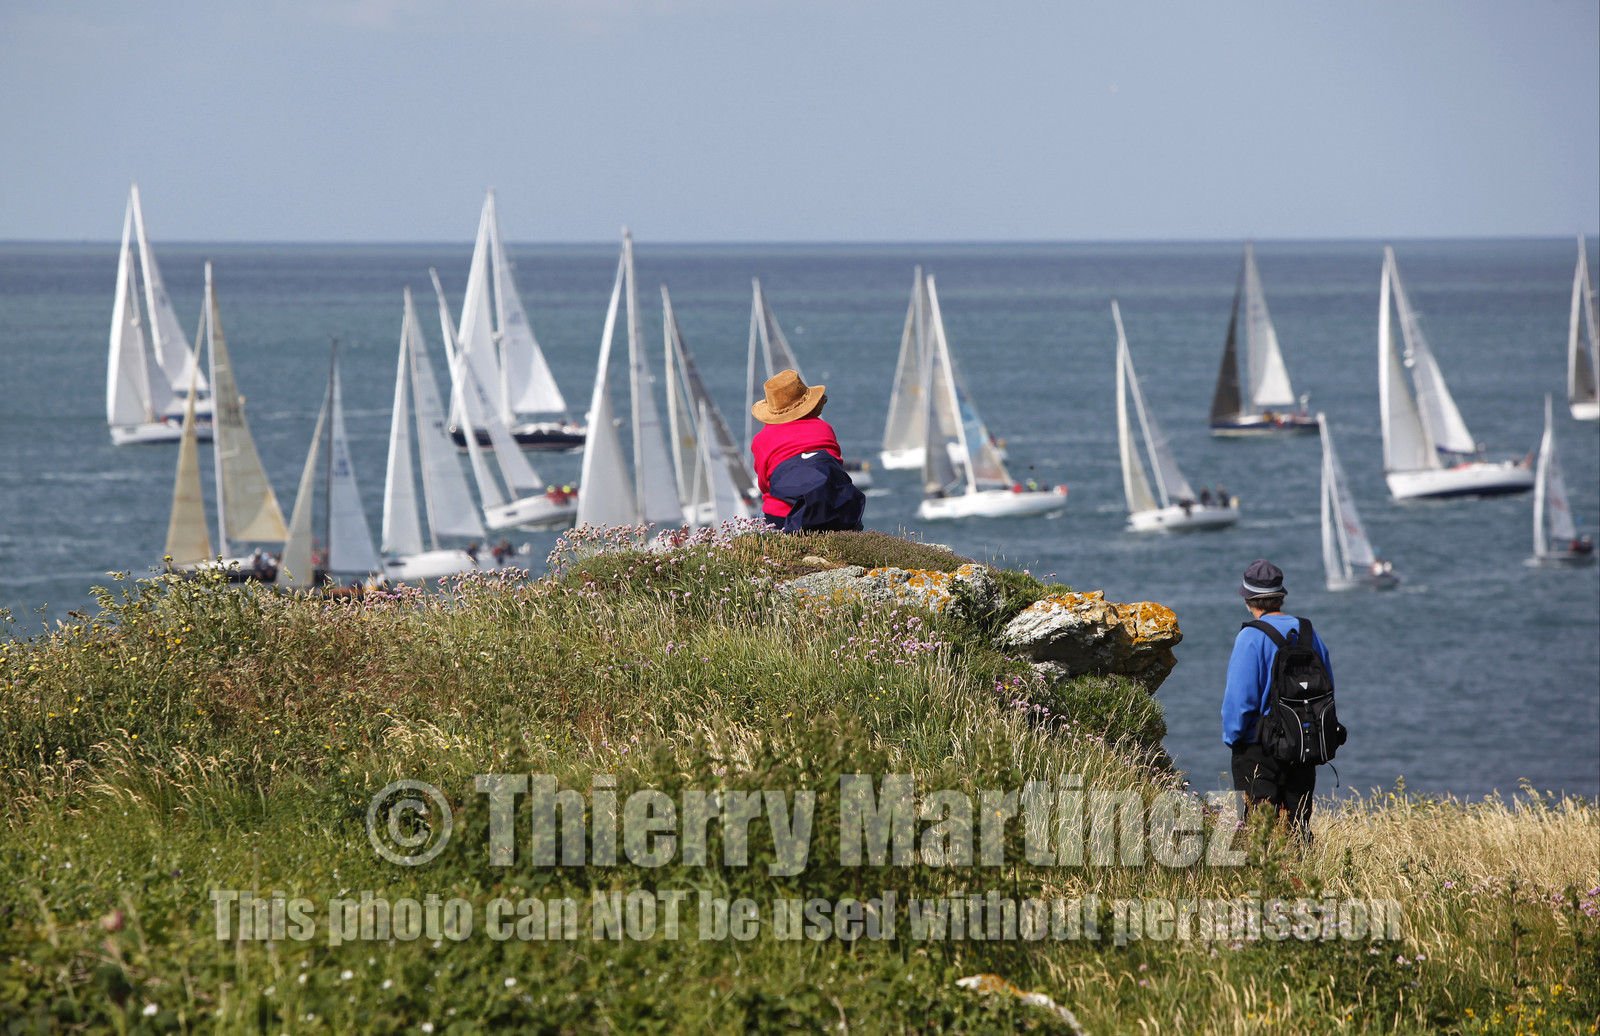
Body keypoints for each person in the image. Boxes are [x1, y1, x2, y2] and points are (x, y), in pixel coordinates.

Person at [1221, 559, 1333, 840]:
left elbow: (1240, 700)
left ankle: (1263, 882)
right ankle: (1306, 881)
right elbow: (1327, 685)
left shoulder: (1250, 636)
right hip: (1302, 745)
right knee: (1297, 829)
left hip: (1258, 748)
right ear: (1281, 596)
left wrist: (1234, 739)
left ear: (1248, 599)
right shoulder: (1308, 632)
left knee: (1257, 833)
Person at [750, 370, 866, 533]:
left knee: (762, 517)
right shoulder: (824, 428)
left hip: (784, 518)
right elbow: (835, 468)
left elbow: (765, 485)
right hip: (835, 512)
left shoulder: (761, 439)